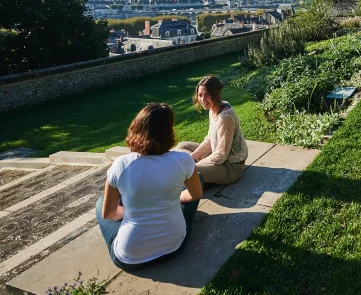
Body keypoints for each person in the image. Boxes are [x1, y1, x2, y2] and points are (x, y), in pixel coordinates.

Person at [95, 103, 203, 270]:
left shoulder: (121, 165)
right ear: (169, 131)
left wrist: (138, 211)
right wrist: (176, 199)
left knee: (101, 202)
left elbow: (109, 213)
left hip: (130, 257)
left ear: (136, 128)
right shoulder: (183, 161)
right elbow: (195, 195)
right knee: (198, 180)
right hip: (174, 246)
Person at [175, 76, 248, 185]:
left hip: (230, 167)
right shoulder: (213, 108)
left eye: (207, 95)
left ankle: (196, 177)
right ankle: (200, 175)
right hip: (217, 156)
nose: (203, 100)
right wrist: (192, 158)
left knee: (187, 171)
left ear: (216, 94)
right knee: (182, 146)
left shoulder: (225, 117)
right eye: (200, 95)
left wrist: (196, 164)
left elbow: (221, 154)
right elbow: (210, 139)